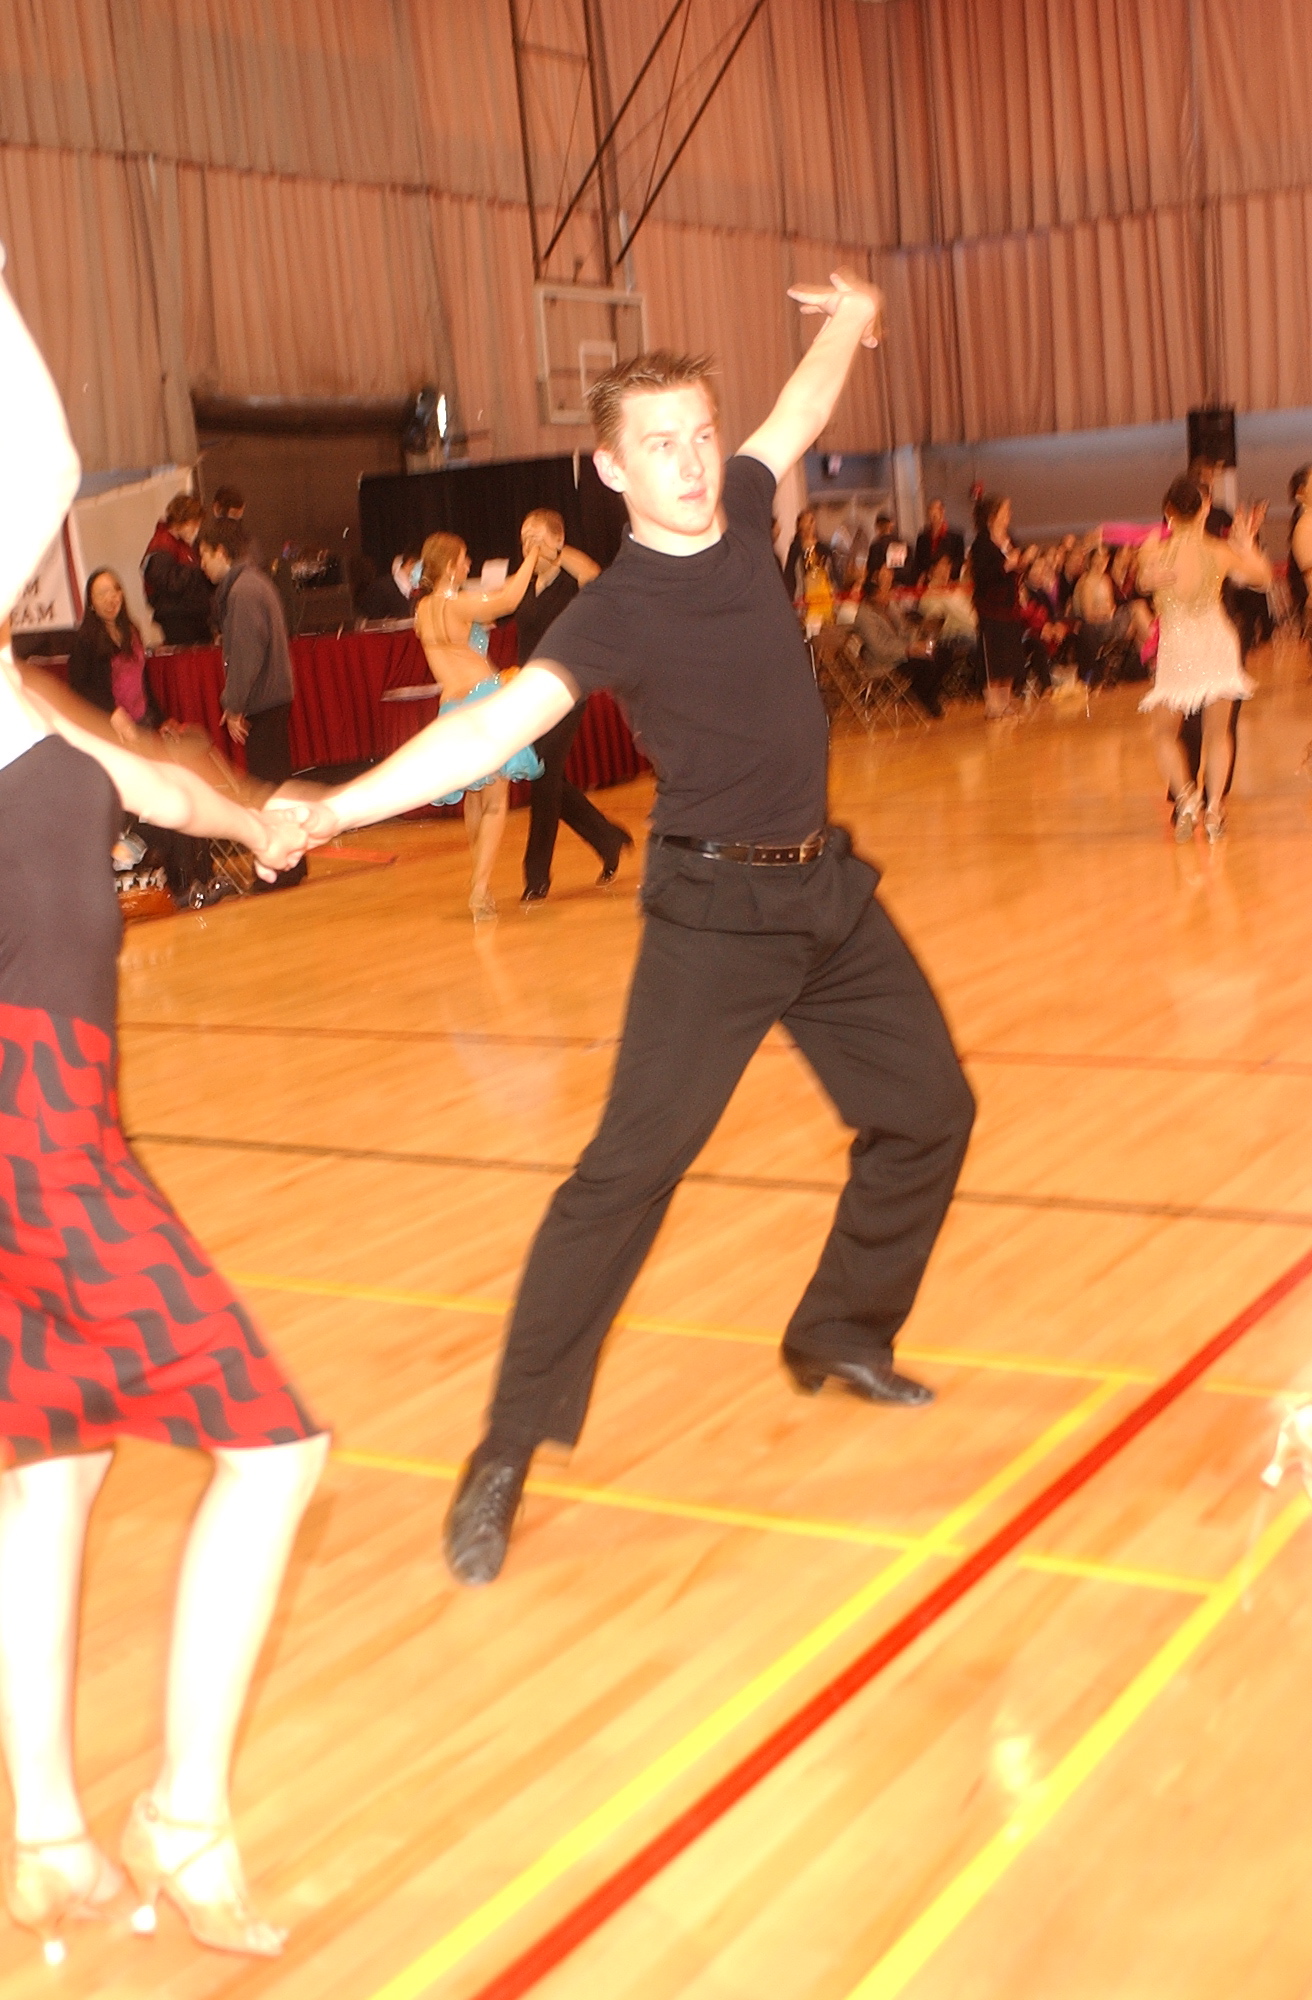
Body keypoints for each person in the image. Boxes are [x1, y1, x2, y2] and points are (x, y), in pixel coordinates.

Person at [278, 272, 976, 1589]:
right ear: (611, 470)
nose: (694, 461)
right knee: (622, 1178)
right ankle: (504, 1447)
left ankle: (839, 1328)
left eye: (700, 435)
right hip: (714, 917)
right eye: (660, 445)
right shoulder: (614, 610)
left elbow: (796, 412)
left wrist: (852, 315)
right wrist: (334, 807)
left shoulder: (747, 505)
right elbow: (491, 727)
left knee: (930, 1111)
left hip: (824, 892)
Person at [0, 255, 326, 1966]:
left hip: (50, 1110)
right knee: (276, 1447)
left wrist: (258, 813)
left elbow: (134, 776)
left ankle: (48, 1839)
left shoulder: (12, 694)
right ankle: (180, 1816)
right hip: (27, 1116)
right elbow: (43, 455)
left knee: (54, 1470)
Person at [412, 531, 542, 921]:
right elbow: (509, 600)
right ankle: (480, 889)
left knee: (475, 796)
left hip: (452, 709)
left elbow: (477, 617)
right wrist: (533, 555)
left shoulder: (424, 610)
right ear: (450, 565)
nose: (469, 564)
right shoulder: (456, 604)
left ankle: (479, 880)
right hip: (483, 703)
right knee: (496, 803)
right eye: (464, 558)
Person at [1137, 474, 1272, 841]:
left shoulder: (1153, 550)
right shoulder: (1219, 551)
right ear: (1204, 510)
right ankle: (1213, 811)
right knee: (1218, 734)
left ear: (1168, 511)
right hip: (1217, 641)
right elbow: (1263, 578)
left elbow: (1143, 581)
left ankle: (1186, 799)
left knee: (1164, 733)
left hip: (1178, 646)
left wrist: (1148, 578)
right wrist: (1246, 546)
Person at [66, 568, 211, 902]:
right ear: (91, 602)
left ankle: (186, 880)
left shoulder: (130, 632)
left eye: (115, 590)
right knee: (144, 805)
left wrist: (162, 719)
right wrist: (111, 711)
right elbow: (79, 689)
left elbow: (142, 685)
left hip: (142, 728)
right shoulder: (85, 641)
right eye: (102, 593)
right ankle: (154, 872)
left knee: (169, 797)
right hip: (114, 738)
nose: (111, 598)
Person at [515, 509, 632, 903]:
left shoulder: (573, 582)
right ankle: (607, 838)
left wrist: (554, 551)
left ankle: (536, 876)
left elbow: (595, 574)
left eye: (535, 535)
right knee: (546, 779)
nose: (528, 544)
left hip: (567, 689)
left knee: (545, 779)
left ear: (558, 539)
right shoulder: (525, 583)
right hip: (529, 692)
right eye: (524, 537)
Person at [197, 523, 306, 888]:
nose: (201, 563)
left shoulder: (243, 591)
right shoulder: (254, 583)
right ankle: (291, 863)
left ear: (221, 552)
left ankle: (279, 869)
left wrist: (233, 706)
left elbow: (246, 656)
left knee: (267, 790)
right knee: (275, 786)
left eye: (204, 554)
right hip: (271, 698)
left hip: (263, 701)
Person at [969, 494, 1035, 715]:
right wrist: (1006, 566)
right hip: (990, 607)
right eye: (1005, 511)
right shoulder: (981, 544)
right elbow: (983, 576)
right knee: (994, 657)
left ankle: (1005, 702)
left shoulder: (1010, 539)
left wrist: (1023, 562)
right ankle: (993, 704)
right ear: (992, 516)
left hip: (1010, 605)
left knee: (1009, 657)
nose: (1009, 515)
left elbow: (1016, 569)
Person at [854, 566, 950, 717]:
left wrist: (919, 641)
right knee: (926, 663)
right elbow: (879, 649)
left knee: (943, 652)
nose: (890, 593)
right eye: (886, 590)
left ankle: (928, 693)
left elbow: (905, 629)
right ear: (875, 594)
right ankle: (924, 696)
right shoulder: (864, 617)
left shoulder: (890, 606)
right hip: (884, 661)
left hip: (904, 651)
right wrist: (908, 650)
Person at [142, 496, 213, 647]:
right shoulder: (162, 546)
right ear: (182, 520)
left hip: (190, 616)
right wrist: (198, 571)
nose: (196, 529)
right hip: (179, 620)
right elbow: (169, 582)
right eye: (194, 523)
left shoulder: (182, 544)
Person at [909, 499, 965, 583]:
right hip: (927, 580)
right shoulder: (922, 538)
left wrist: (946, 569)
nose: (932, 517)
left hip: (948, 580)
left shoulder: (956, 536)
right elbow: (918, 562)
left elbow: (959, 560)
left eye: (935, 514)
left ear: (942, 512)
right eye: (930, 513)